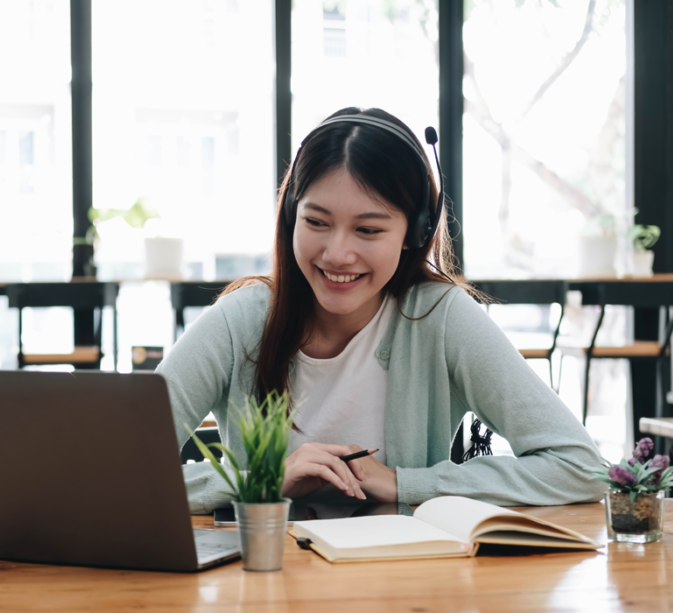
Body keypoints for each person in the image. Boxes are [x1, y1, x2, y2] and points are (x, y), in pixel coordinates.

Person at [157, 107, 606, 514]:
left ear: (416, 232)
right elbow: (112, 471)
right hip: (268, 586)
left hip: (403, 586)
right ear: (292, 216)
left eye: (368, 230)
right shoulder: (243, 320)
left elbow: (580, 466)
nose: (337, 254)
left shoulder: (440, 318)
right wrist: (263, 481)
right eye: (316, 222)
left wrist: (404, 483)